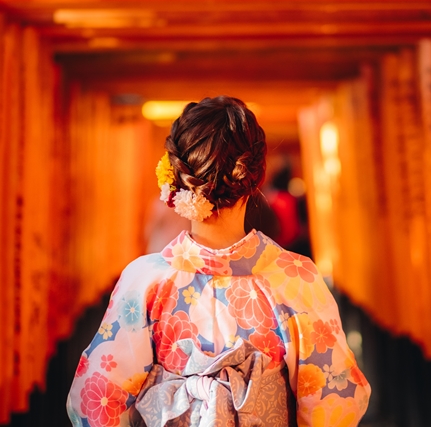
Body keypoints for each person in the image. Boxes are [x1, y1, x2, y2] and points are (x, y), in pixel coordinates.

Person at [66, 96, 371, 427]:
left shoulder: (144, 281)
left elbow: (94, 399)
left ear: (176, 175)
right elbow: (336, 400)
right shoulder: (297, 279)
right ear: (256, 175)